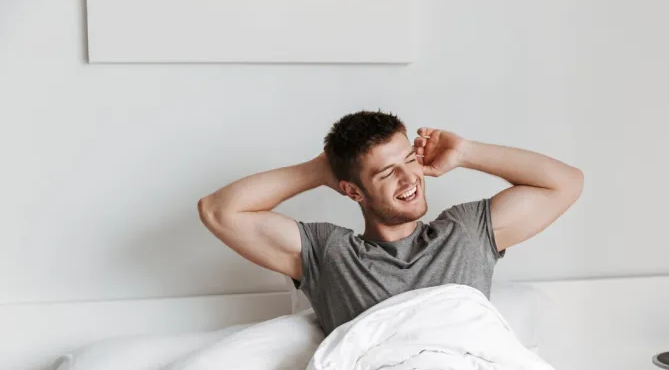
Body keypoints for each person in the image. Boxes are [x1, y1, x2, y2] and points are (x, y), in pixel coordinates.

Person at [198, 110, 583, 336]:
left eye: (409, 161)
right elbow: (218, 210)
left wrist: (466, 152)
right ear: (352, 191)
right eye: (386, 173)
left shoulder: (465, 233)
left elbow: (566, 182)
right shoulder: (330, 252)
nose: (409, 179)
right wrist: (320, 169)